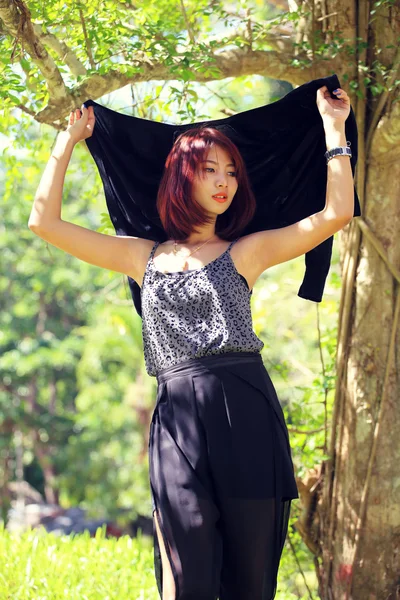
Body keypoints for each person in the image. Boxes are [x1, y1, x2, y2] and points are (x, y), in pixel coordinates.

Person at [28, 85, 353, 600]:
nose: (224, 181)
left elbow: (335, 214)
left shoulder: (247, 251)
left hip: (244, 412)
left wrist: (334, 128)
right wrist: (68, 142)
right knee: (185, 582)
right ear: (184, 175)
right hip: (177, 419)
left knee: (249, 582)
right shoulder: (143, 257)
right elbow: (43, 223)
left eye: (231, 172)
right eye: (211, 170)